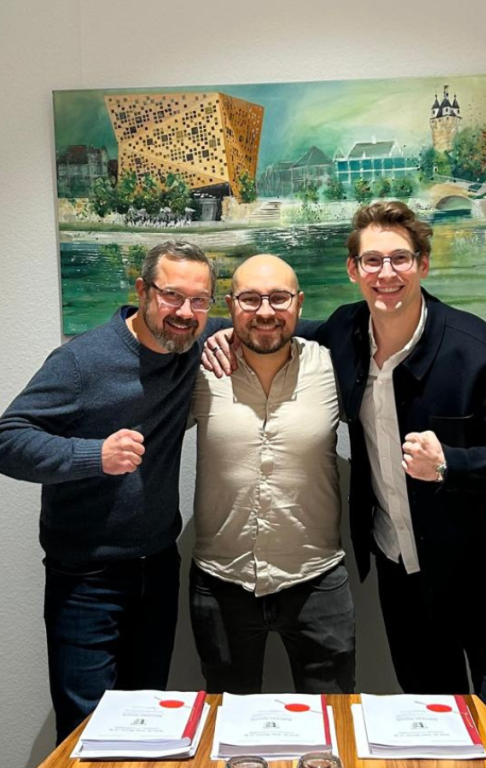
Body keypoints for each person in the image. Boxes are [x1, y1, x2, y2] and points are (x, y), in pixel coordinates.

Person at [204, 203, 486, 761]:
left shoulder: (475, 348)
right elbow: (274, 324)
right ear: (354, 270)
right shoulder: (345, 334)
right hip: (403, 572)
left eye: (399, 259)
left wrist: (453, 464)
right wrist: (221, 334)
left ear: (422, 264)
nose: (385, 273)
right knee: (428, 725)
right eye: (372, 260)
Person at [0, 240, 223, 744]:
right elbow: (3, 443)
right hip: (85, 578)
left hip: (158, 568)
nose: (185, 312)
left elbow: (275, 322)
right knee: (87, 735)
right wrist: (93, 456)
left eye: (199, 300)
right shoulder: (81, 361)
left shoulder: (194, 342)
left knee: (147, 726)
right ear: (143, 291)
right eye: (172, 295)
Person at [189, 254, 356, 694]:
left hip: (317, 580)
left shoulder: (333, 367)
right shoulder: (200, 370)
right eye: (250, 299)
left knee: (332, 719)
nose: (265, 311)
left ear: (299, 303)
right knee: (227, 721)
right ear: (230, 305)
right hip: (221, 582)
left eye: (279, 298)